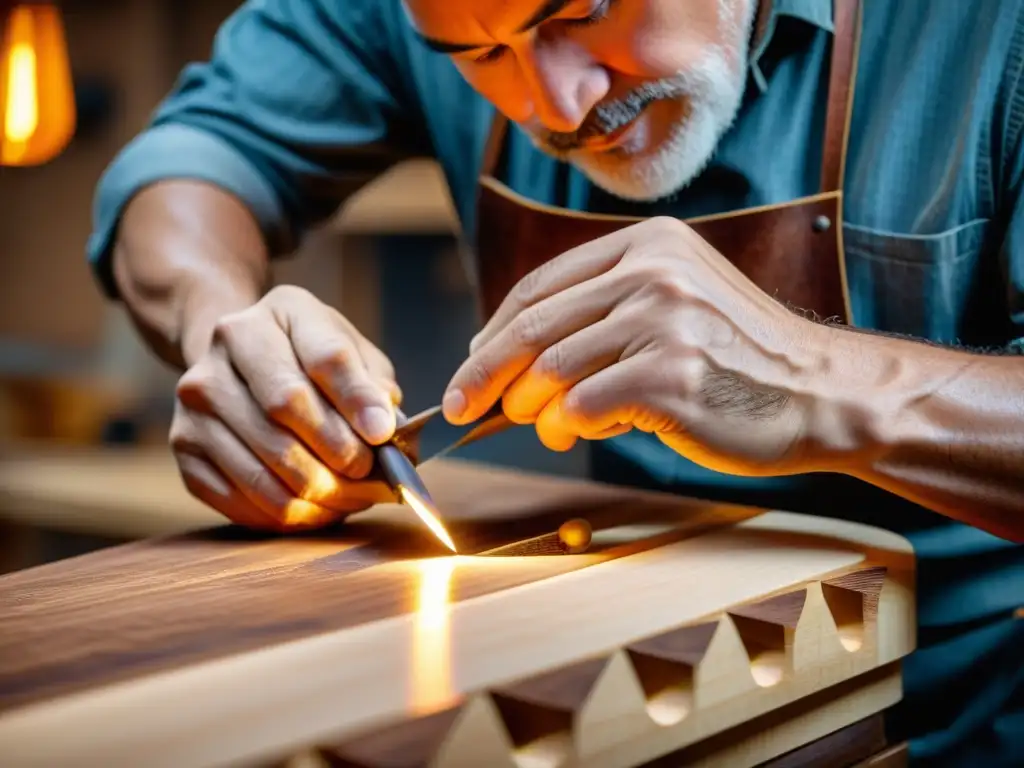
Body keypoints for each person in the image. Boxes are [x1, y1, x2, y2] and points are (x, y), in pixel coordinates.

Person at [86, 0, 1023, 764]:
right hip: (611, 707)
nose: (559, 106)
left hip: (970, 714)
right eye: (477, 54)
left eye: (586, 10)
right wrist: (223, 329)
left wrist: (812, 380)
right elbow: (193, 160)